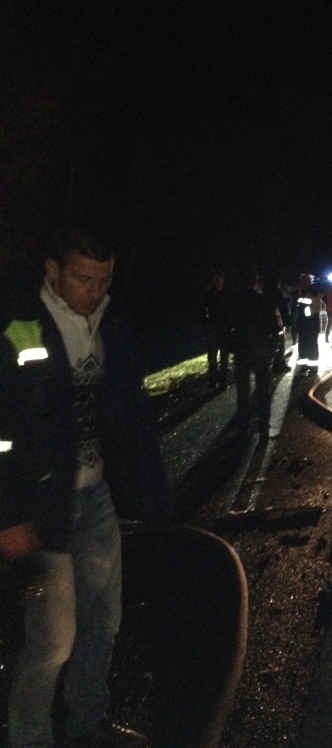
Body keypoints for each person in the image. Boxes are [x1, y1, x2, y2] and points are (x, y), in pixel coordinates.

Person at [0, 229, 172, 748]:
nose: (94, 291)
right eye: (82, 278)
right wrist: (7, 514)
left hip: (95, 498)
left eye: (105, 280)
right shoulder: (19, 328)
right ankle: (29, 738)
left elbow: (133, 419)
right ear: (53, 271)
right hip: (40, 507)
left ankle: (86, 723)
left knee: (103, 621)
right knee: (53, 637)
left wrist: (156, 497)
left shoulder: (111, 330)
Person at [230, 268, 284, 443]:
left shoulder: (234, 302)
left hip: (242, 351)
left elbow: (226, 327)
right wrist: (273, 349)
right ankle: (263, 429)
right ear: (256, 281)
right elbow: (278, 327)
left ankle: (243, 427)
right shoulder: (265, 301)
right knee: (262, 390)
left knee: (243, 392)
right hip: (261, 352)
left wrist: (233, 347)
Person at [201, 269, 235, 390]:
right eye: (214, 279)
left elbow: (232, 310)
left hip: (225, 328)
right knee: (212, 356)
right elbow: (203, 309)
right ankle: (213, 381)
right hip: (213, 329)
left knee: (224, 355)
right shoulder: (208, 294)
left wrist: (232, 325)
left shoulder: (228, 293)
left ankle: (223, 380)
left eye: (219, 278)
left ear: (223, 279)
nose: (217, 281)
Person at [293, 273, 321, 363]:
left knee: (312, 343)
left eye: (304, 281)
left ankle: (313, 364)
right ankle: (303, 359)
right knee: (302, 343)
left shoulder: (314, 291)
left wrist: (301, 301)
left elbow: (315, 305)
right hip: (302, 323)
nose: (302, 284)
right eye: (301, 282)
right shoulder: (301, 292)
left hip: (311, 323)